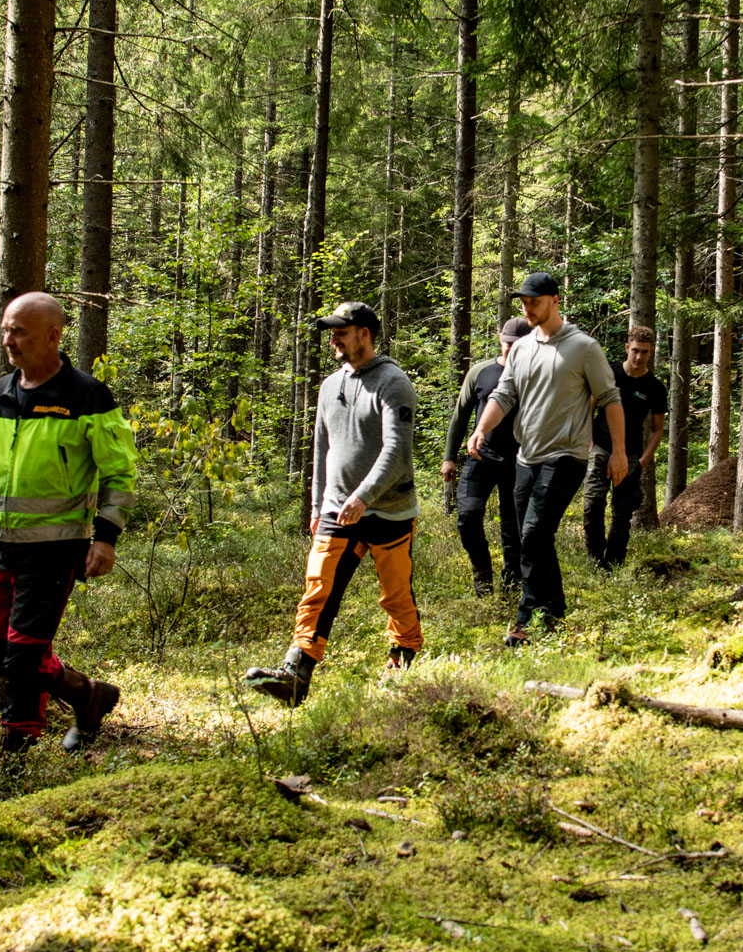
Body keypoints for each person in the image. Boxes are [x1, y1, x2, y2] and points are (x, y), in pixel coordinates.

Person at [0, 292, 135, 754]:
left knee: (25, 655)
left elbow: (119, 471)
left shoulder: (87, 395)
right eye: (6, 329)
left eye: (20, 332)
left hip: (56, 549)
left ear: (53, 336)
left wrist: (106, 538)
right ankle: (88, 695)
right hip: (1, 547)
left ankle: (15, 757)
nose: (8, 340)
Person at [245, 302, 423, 708]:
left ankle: (404, 654)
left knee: (395, 594)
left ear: (365, 333)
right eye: (332, 332)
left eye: (342, 330)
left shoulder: (394, 383)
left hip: (389, 510)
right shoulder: (329, 386)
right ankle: (296, 671)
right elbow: (321, 447)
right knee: (319, 588)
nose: (334, 339)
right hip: (336, 509)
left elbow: (397, 453)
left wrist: (364, 497)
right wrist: (316, 504)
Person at [469, 272, 625, 647]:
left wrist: (618, 451)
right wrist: (481, 429)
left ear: (555, 300)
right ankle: (553, 609)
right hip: (527, 456)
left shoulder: (583, 347)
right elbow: (503, 396)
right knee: (532, 540)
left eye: (534, 302)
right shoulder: (521, 349)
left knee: (533, 533)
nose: (528, 308)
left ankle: (527, 619)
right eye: (523, 302)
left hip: (567, 455)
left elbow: (610, 398)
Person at [443, 317, 534, 597]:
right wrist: (449, 457)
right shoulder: (481, 372)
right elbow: (460, 416)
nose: (511, 351)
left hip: (518, 462)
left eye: (518, 346)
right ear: (499, 340)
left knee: (513, 526)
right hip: (481, 457)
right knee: (468, 515)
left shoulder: (535, 375)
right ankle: (482, 571)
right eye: (507, 344)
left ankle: (511, 580)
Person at [583, 327, 668, 569]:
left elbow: (657, 428)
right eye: (635, 351)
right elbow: (587, 409)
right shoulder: (608, 373)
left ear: (651, 353)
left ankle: (614, 562)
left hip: (631, 454)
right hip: (599, 447)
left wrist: (642, 460)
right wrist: (589, 446)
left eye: (645, 352)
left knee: (622, 512)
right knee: (593, 504)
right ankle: (595, 558)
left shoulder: (655, 387)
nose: (639, 357)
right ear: (627, 348)